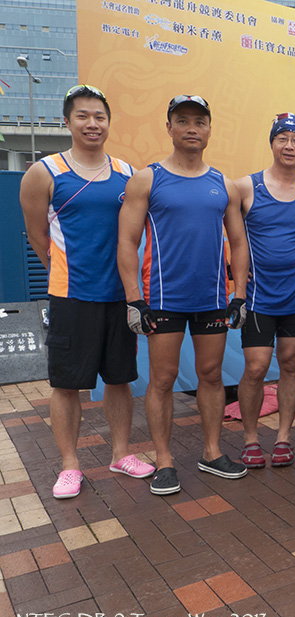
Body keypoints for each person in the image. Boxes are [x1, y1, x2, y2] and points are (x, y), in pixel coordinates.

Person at [19, 85, 154, 499]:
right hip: (71, 296)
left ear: (109, 122)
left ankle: (121, 454)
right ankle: (70, 465)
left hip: (120, 296)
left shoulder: (128, 173)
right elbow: (37, 236)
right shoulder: (44, 172)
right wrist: (63, 274)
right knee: (66, 384)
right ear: (67, 121)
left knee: (119, 379)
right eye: (83, 116)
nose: (92, 124)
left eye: (99, 116)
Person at [118, 95, 249, 495]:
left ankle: (212, 452)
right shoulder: (147, 179)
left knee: (211, 375)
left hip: (212, 298)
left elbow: (238, 243)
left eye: (199, 121)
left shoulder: (223, 184)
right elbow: (126, 241)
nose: (192, 128)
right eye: (183, 121)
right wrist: (134, 299)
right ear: (169, 127)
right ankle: (164, 461)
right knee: (163, 379)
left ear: (209, 129)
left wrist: (239, 294)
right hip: (162, 298)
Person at [234, 113, 295, 469]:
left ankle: (284, 437)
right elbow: (225, 234)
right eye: (282, 138)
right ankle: (250, 439)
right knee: (255, 368)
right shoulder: (245, 187)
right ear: (272, 143)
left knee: (291, 364)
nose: (289, 145)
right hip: (258, 296)